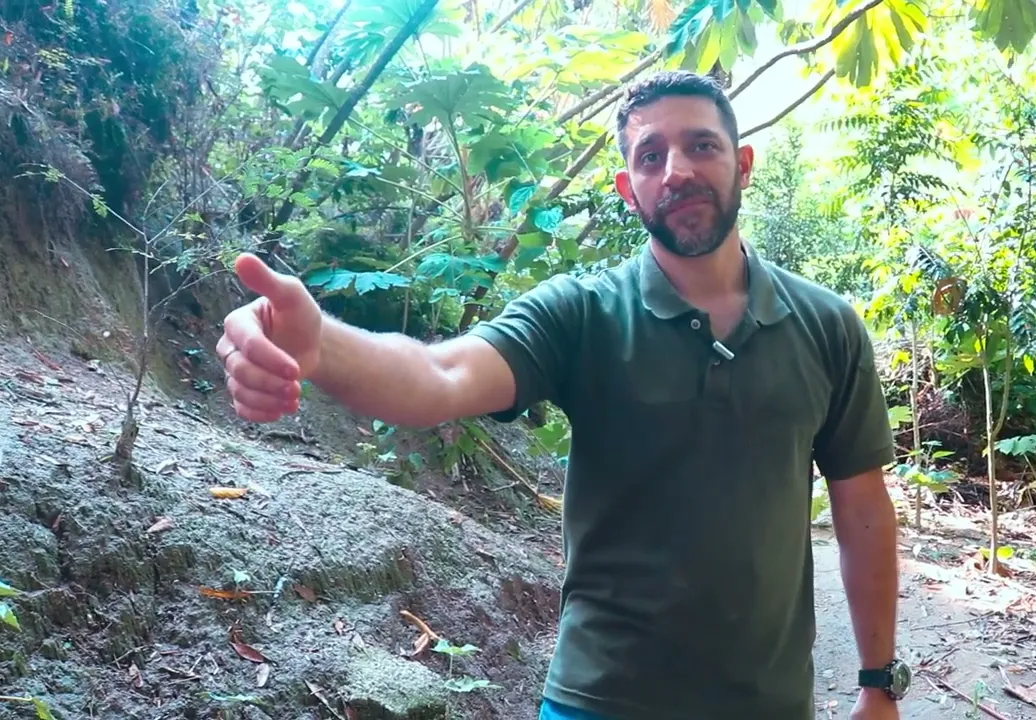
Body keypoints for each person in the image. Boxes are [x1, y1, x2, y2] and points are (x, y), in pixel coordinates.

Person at [216, 70, 908, 720]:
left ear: (744, 164)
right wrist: (322, 347)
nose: (676, 170)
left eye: (702, 146)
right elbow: (441, 375)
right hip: (600, 698)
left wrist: (879, 682)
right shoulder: (582, 313)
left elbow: (862, 506)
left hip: (769, 703)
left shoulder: (826, 326)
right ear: (627, 188)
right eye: (651, 156)